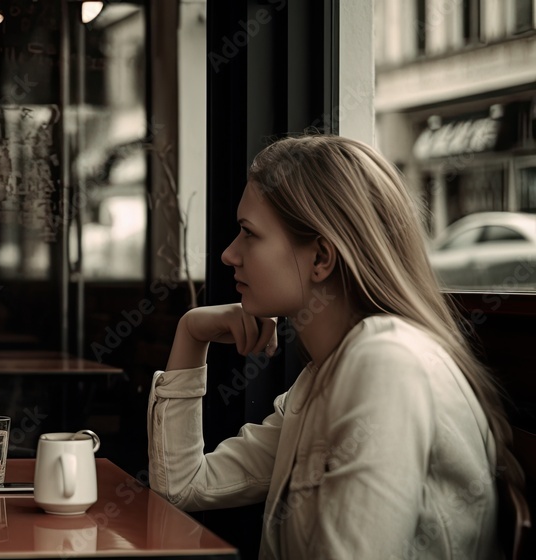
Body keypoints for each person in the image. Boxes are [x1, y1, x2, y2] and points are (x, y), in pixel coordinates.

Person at [148, 134, 524, 559]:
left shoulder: (387, 364)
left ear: (321, 258)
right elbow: (181, 486)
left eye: (249, 234)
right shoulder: (322, 380)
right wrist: (191, 333)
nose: (229, 254)